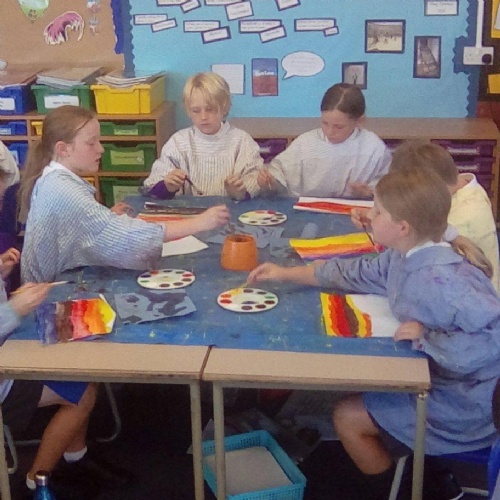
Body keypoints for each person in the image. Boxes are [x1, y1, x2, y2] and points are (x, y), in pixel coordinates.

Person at [248, 168, 500, 499]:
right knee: (365, 385)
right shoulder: (405, 256)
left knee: (347, 415)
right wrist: (286, 274)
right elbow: (355, 272)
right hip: (448, 382)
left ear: (403, 227)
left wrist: (430, 338)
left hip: (468, 404)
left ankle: (407, 489)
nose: (369, 215)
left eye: (378, 211)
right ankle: (425, 472)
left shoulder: (443, 281)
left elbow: (493, 339)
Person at [20, 105, 230, 283]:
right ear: (63, 149)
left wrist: (103, 218)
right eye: (91, 143)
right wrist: (199, 223)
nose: (101, 149)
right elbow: (128, 237)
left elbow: (74, 227)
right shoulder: (63, 190)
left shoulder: (54, 177)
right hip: (46, 294)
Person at [352, 139, 500, 292]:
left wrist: (385, 221)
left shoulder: (464, 220)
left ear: (430, 189)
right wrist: (379, 216)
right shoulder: (463, 185)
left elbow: (408, 254)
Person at [257, 83, 392, 198]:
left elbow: (391, 190)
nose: (330, 132)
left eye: (339, 127)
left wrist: (369, 194)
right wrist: (271, 183)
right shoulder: (306, 143)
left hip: (355, 211)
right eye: (325, 123)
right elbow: (279, 178)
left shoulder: (373, 148)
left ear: (359, 121)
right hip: (308, 212)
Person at [142, 72, 262, 201]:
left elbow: (255, 181)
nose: (203, 117)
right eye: (196, 111)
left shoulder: (242, 141)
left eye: (210, 109)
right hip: (190, 212)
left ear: (225, 107)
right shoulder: (178, 143)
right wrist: (167, 186)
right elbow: (153, 191)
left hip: (231, 209)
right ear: (188, 110)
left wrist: (240, 192)